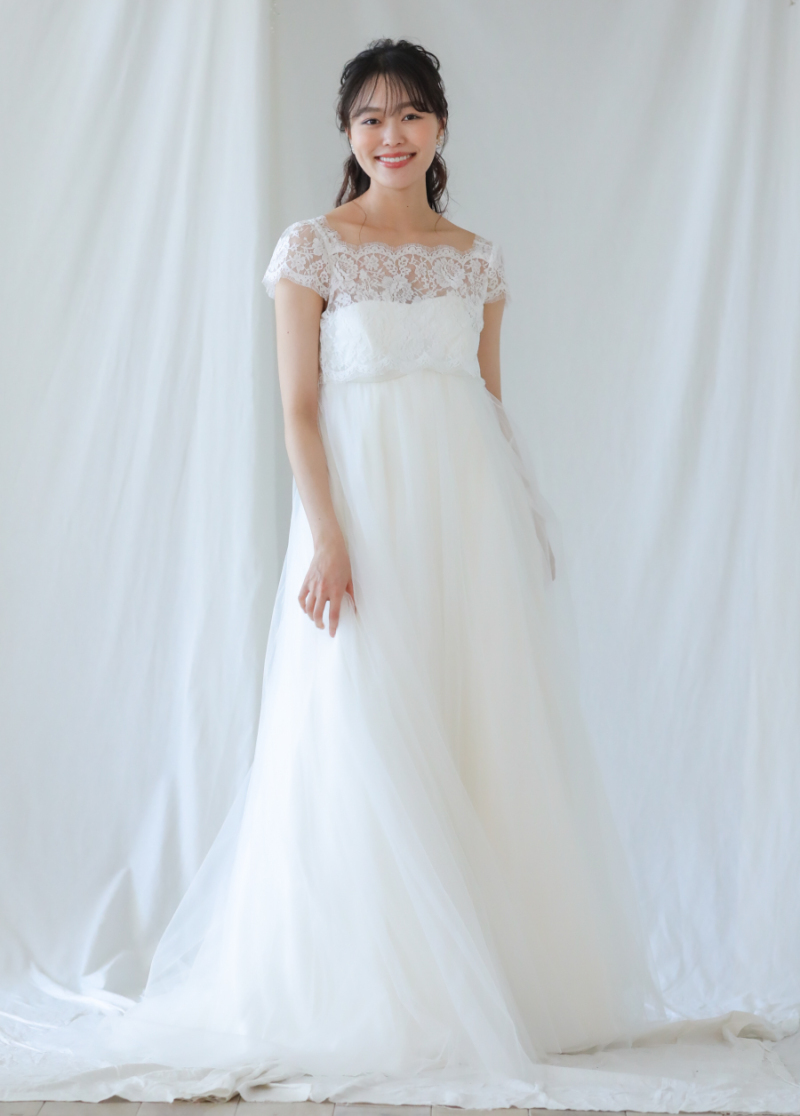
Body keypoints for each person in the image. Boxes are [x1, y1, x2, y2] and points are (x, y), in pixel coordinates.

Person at [48, 37, 660, 1105]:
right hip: (362, 516)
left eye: (411, 114)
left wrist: (524, 512)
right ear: (346, 133)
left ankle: (489, 982)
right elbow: (297, 409)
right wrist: (326, 535)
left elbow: (486, 399)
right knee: (360, 723)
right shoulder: (313, 250)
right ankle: (369, 986)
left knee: (477, 723)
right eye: (371, 118)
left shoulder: (476, 259)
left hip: (468, 520)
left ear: (440, 128)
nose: (392, 135)